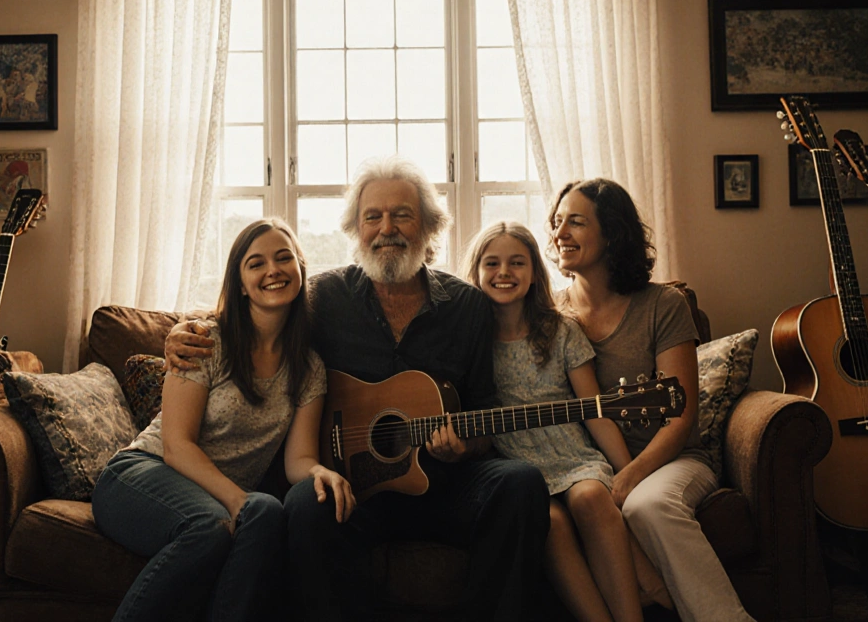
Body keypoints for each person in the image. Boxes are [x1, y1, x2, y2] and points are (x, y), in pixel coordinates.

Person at [166, 155, 550, 621]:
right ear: (356, 228)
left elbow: (485, 409)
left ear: (429, 226)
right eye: (373, 217)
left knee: (520, 483)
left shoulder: (467, 305)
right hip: (352, 486)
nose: (387, 228)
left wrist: (464, 446)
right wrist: (183, 332)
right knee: (306, 503)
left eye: (402, 215)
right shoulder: (324, 297)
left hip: (443, 485)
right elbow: (257, 316)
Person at [92, 219, 355, 622]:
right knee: (215, 523)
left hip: (216, 498)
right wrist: (237, 501)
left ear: (301, 268)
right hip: (140, 475)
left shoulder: (309, 367)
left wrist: (321, 471)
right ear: (241, 283)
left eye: (284, 258)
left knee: (266, 510)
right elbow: (176, 446)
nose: (273, 270)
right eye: (256, 263)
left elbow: (297, 460)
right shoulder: (204, 341)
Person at [548, 179, 754, 622]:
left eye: (576, 222)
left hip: (673, 460)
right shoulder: (550, 315)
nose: (560, 233)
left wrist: (629, 477)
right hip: (588, 469)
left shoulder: (664, 304)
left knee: (649, 504)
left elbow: (681, 416)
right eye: (557, 221)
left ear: (612, 233)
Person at [462, 221, 671, 622]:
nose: (504, 272)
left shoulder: (561, 330)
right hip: (516, 468)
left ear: (534, 273)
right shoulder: (471, 340)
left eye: (517, 262)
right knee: (549, 522)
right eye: (492, 263)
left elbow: (595, 410)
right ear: (476, 272)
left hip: (573, 457)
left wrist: (627, 475)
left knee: (591, 497)